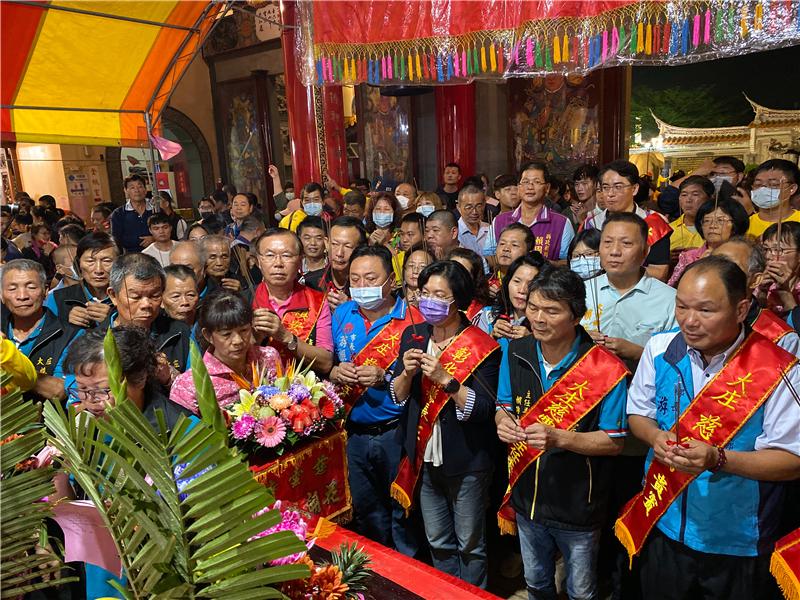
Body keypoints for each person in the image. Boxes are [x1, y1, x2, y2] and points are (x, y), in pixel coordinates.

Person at [619, 256, 800, 600]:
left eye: (705, 310)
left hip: (737, 538)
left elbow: (791, 461)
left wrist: (717, 459)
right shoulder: (660, 348)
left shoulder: (779, 370)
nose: (689, 321)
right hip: (664, 519)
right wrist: (655, 436)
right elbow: (638, 415)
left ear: (742, 309)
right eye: (682, 306)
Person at [495, 267, 628, 600]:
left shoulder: (605, 368)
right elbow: (505, 404)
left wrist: (561, 438)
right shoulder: (515, 352)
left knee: (580, 591)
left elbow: (613, 442)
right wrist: (502, 421)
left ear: (575, 315)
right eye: (534, 308)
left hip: (578, 506)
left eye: (552, 311)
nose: (539, 318)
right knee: (537, 583)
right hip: (527, 498)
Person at [390, 260, 500, 588]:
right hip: (423, 457)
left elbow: (484, 409)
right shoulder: (413, 334)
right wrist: (408, 374)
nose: (430, 302)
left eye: (440, 295)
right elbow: (396, 396)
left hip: (467, 459)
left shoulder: (482, 346)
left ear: (459, 300)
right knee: (438, 540)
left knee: (470, 545)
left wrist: (445, 380)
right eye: (425, 293)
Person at [328, 245, 422, 555]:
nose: (362, 286)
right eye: (355, 279)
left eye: (371, 278)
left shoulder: (413, 319)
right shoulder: (343, 313)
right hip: (354, 432)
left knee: (403, 514)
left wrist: (385, 376)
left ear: (392, 280)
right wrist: (335, 371)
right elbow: (329, 361)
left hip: (396, 431)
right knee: (368, 514)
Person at [582, 212, 678, 370]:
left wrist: (639, 353)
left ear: (645, 252)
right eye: (607, 242)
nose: (614, 251)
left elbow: (681, 362)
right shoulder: (580, 291)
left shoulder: (670, 300)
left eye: (626, 244)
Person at [171, 289, 281, 412]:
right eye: (226, 334)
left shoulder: (268, 358)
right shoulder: (189, 385)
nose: (238, 340)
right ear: (208, 335)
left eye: (244, 330)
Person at [251, 228, 334, 373]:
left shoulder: (317, 301)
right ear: (258, 261)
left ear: (300, 260)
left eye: (287, 255)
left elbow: (326, 362)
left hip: (303, 392)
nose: (278, 263)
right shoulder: (245, 299)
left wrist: (286, 337)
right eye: (270, 255)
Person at [1, 258, 79, 404]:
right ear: (1, 295)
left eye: (31, 287)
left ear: (46, 291)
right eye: (12, 289)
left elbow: (59, 391)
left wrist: (9, 359)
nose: (22, 296)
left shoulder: (70, 335)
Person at [583, 160, 672, 282]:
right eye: (605, 187)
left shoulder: (655, 223)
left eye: (618, 187)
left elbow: (660, 272)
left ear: (634, 189)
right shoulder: (592, 224)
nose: (610, 194)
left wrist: (621, 271)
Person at [106, 253, 192, 377]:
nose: (146, 304)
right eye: (136, 297)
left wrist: (170, 378)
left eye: (155, 296)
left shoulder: (179, 333)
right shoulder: (96, 339)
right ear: (113, 295)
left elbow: (198, 386)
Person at [712, 237, 799, 355]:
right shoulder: (691, 319)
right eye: (712, 265)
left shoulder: (781, 339)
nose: (716, 275)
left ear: (755, 280)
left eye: (731, 268)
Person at [492, 162, 575, 263]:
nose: (530, 187)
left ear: (547, 188)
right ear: (519, 187)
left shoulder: (561, 223)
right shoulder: (499, 221)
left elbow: (570, 261)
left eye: (536, 182)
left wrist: (547, 264)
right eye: (525, 182)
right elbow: (488, 256)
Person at [668, 199, 750, 287]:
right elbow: (672, 289)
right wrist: (697, 267)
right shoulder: (688, 257)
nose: (712, 225)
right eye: (706, 221)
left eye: (720, 221)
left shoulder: (745, 256)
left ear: (735, 224)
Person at [45, 232, 118, 329]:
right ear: (78, 265)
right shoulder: (56, 299)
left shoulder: (132, 299)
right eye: (90, 261)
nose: (98, 270)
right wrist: (64, 322)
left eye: (107, 261)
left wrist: (115, 320)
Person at [304, 216, 368, 310]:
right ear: (326, 243)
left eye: (347, 246)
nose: (339, 253)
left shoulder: (368, 284)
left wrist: (350, 306)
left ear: (361, 248)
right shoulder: (310, 283)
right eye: (334, 244)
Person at [492, 254, 546, 347]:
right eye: (517, 281)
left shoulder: (547, 324)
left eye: (531, 285)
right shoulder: (488, 315)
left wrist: (532, 341)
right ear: (508, 282)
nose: (522, 290)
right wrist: (492, 336)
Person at [747, 159, 800, 238]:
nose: (763, 189)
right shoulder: (743, 225)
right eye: (758, 184)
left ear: (792, 188)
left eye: (773, 184)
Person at [757, 221, 800, 317]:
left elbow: (796, 327)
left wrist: (784, 291)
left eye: (778, 250)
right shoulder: (757, 281)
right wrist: (762, 292)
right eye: (766, 249)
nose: (768, 256)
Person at [447, 247, 492, 327]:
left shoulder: (484, 312)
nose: (456, 275)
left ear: (474, 278)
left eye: (464, 271)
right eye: (453, 269)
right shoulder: (430, 301)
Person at [669, 175, 713, 256]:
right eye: (684, 195)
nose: (688, 200)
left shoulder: (718, 229)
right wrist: (666, 260)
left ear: (710, 198)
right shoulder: (668, 230)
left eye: (695, 194)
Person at [110, 174, 154, 253]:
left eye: (140, 186)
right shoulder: (118, 214)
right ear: (126, 190)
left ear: (145, 189)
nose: (137, 190)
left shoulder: (156, 210)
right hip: (130, 257)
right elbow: (115, 240)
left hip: (155, 254)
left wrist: (154, 239)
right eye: (132, 187)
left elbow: (168, 232)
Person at [490, 223, 536, 295]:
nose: (506, 249)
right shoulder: (486, 280)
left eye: (514, 245)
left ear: (528, 252)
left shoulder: (534, 285)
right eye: (502, 243)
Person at [456, 185, 491, 262]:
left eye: (478, 206)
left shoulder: (490, 229)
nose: (474, 212)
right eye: (469, 207)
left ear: (484, 205)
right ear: (458, 207)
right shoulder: (455, 233)